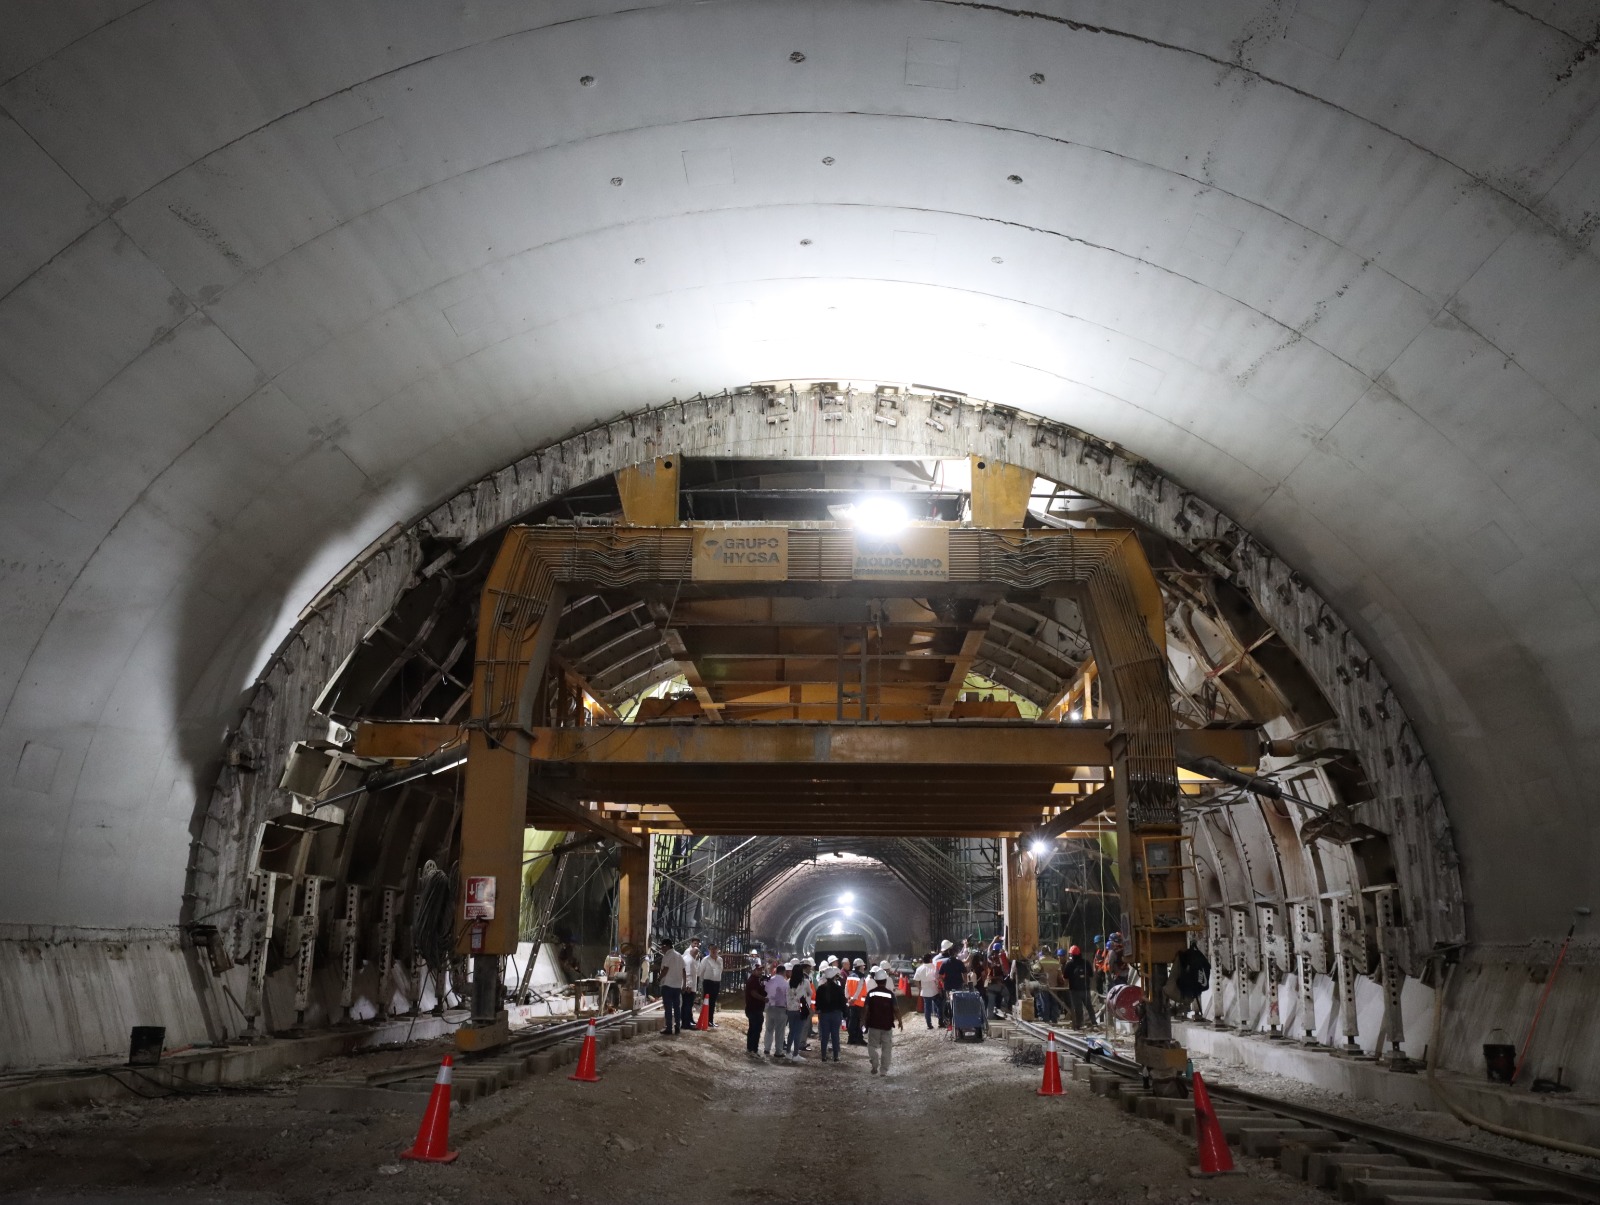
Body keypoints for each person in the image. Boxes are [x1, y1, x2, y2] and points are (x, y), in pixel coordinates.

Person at [863, 967, 903, 1075]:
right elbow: (896, 1009)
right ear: (885, 981)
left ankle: (874, 1061)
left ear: (875, 981)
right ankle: (883, 1071)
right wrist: (900, 1021)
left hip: (873, 1024)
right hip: (887, 1025)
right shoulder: (890, 994)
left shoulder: (871, 993)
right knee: (886, 1048)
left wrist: (863, 1021)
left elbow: (866, 1009)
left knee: (871, 1045)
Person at [815, 965, 847, 1062]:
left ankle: (824, 1056)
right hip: (836, 1014)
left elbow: (818, 1003)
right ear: (834, 977)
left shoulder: (820, 988)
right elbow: (843, 1003)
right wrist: (845, 1014)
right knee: (835, 1035)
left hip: (824, 1014)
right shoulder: (838, 988)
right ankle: (836, 1056)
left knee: (824, 1036)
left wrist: (819, 1011)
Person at [657, 940, 688, 1036]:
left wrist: (659, 978)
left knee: (668, 1008)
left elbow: (665, 969)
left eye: (662, 946)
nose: (661, 949)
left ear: (667, 946)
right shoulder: (679, 955)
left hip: (668, 985)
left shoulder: (667, 955)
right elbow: (684, 971)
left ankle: (669, 1028)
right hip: (677, 986)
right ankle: (677, 1027)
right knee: (677, 1008)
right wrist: (684, 984)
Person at [762, 961, 790, 1058]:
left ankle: (766, 1049)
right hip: (781, 1009)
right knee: (780, 1031)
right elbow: (788, 997)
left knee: (769, 1029)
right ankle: (778, 1051)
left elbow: (765, 992)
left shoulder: (769, 981)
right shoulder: (786, 983)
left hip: (769, 1007)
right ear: (784, 972)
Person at [785, 961, 810, 1061]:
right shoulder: (805, 982)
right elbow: (810, 993)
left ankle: (788, 1052)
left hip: (790, 1009)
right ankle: (795, 1054)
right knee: (798, 1032)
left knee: (791, 1031)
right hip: (800, 1010)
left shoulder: (788, 982)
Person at [1063, 944, 1093, 1029]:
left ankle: (1079, 1024)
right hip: (1086, 989)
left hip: (1074, 990)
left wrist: (1065, 986)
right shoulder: (1086, 962)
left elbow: (1065, 977)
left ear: (1071, 955)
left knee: (1077, 1008)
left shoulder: (1069, 964)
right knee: (1089, 1007)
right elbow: (1091, 975)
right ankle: (1094, 1023)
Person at [743, 956, 768, 1056]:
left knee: (753, 1029)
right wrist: (763, 999)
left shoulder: (757, 980)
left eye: (761, 969)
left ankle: (750, 1048)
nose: (761, 971)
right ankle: (753, 1049)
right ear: (754, 970)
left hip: (754, 1009)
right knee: (756, 1029)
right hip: (754, 1009)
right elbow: (753, 993)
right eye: (758, 970)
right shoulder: (752, 980)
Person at [912, 952, 940, 1028]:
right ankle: (941, 1021)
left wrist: (920, 988)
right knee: (939, 1006)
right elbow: (938, 978)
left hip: (925, 991)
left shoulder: (919, 968)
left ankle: (929, 1024)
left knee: (927, 1009)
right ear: (930, 960)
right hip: (934, 990)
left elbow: (916, 980)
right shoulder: (934, 967)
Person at [699, 944, 724, 1028]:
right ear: (709, 950)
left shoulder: (720, 960)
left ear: (718, 950)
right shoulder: (705, 960)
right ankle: (705, 1020)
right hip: (708, 982)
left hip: (716, 983)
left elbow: (720, 970)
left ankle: (710, 1020)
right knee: (707, 1002)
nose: (713, 951)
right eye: (712, 949)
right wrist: (703, 982)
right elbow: (701, 972)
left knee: (713, 1002)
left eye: (715, 949)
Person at [845, 960, 868, 1045]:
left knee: (852, 1021)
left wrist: (848, 998)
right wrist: (854, 999)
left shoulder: (850, 976)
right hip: (858, 1003)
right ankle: (856, 1039)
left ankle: (853, 1038)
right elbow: (859, 990)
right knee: (857, 1021)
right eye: (863, 966)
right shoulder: (861, 976)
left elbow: (846, 988)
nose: (864, 967)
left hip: (851, 1002)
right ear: (859, 967)